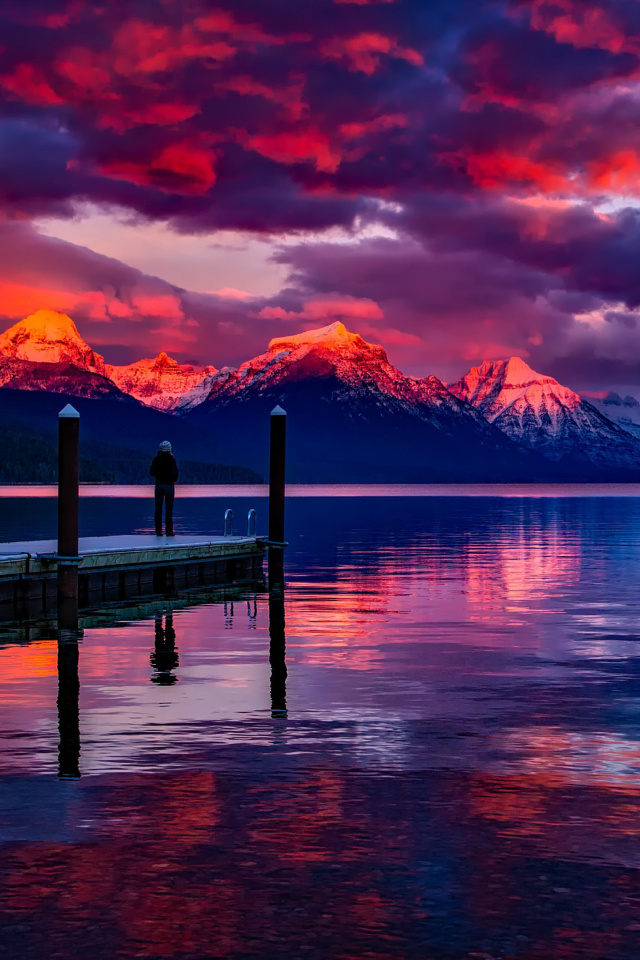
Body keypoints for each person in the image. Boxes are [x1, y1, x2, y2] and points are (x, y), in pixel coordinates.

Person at [150, 441, 179, 536]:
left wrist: (159, 475)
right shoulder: (171, 460)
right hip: (169, 486)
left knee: (158, 508)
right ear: (169, 449)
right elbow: (175, 474)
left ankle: (158, 531)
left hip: (159, 486)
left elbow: (152, 472)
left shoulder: (156, 459)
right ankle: (169, 531)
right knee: (169, 509)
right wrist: (172, 479)